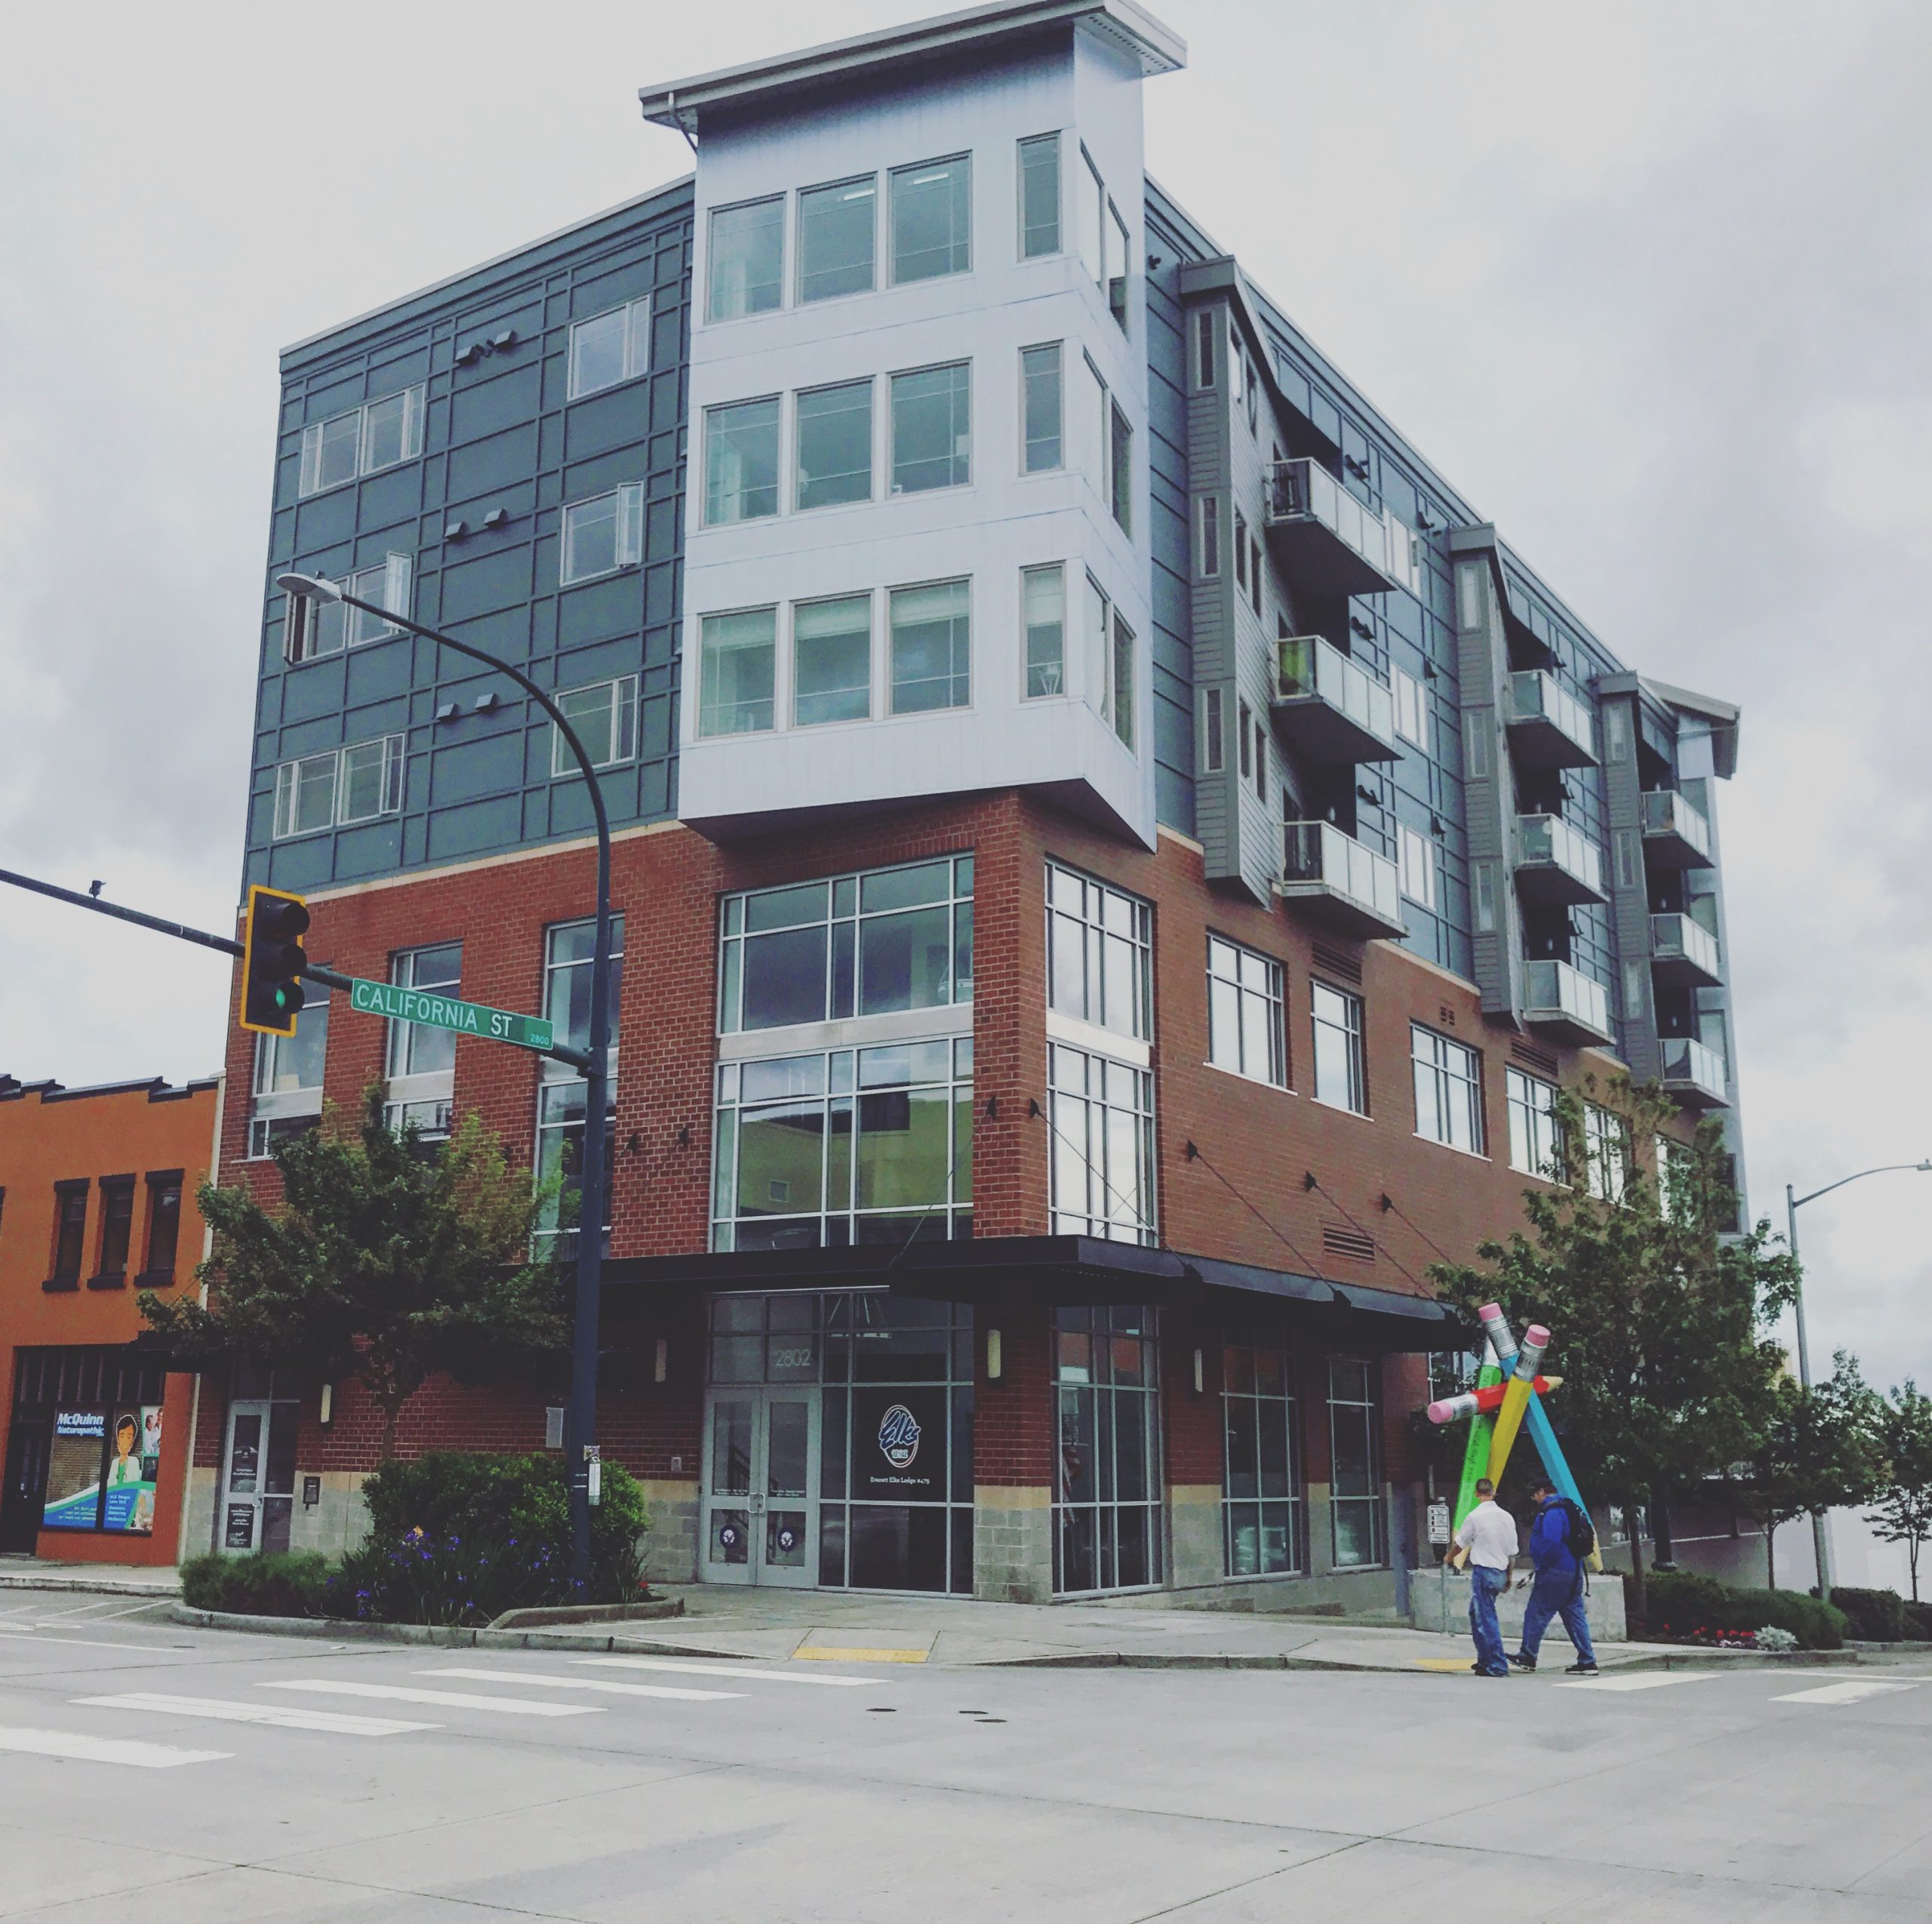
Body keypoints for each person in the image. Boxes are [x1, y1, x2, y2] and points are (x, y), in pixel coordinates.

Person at [1511, 1476, 1599, 1676]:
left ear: (1542, 1492)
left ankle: (1527, 1656)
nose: (1533, 1498)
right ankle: (1587, 1661)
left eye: (1535, 1494)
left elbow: (1551, 1542)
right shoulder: (1569, 1508)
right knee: (1574, 1616)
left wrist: (1542, 1564)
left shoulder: (1552, 1513)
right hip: (1574, 1570)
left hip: (1555, 1572)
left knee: (1536, 1612)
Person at [1452, 1477, 1518, 1677]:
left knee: (1486, 1618)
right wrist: (1509, 1576)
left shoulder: (1474, 1516)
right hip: (1500, 1570)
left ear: (1476, 1494)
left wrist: (1448, 1558)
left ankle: (1497, 1664)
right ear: (1493, 1493)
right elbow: (1512, 1552)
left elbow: (1460, 1543)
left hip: (1483, 1571)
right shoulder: (1507, 1517)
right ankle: (1484, 1660)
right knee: (1476, 1613)